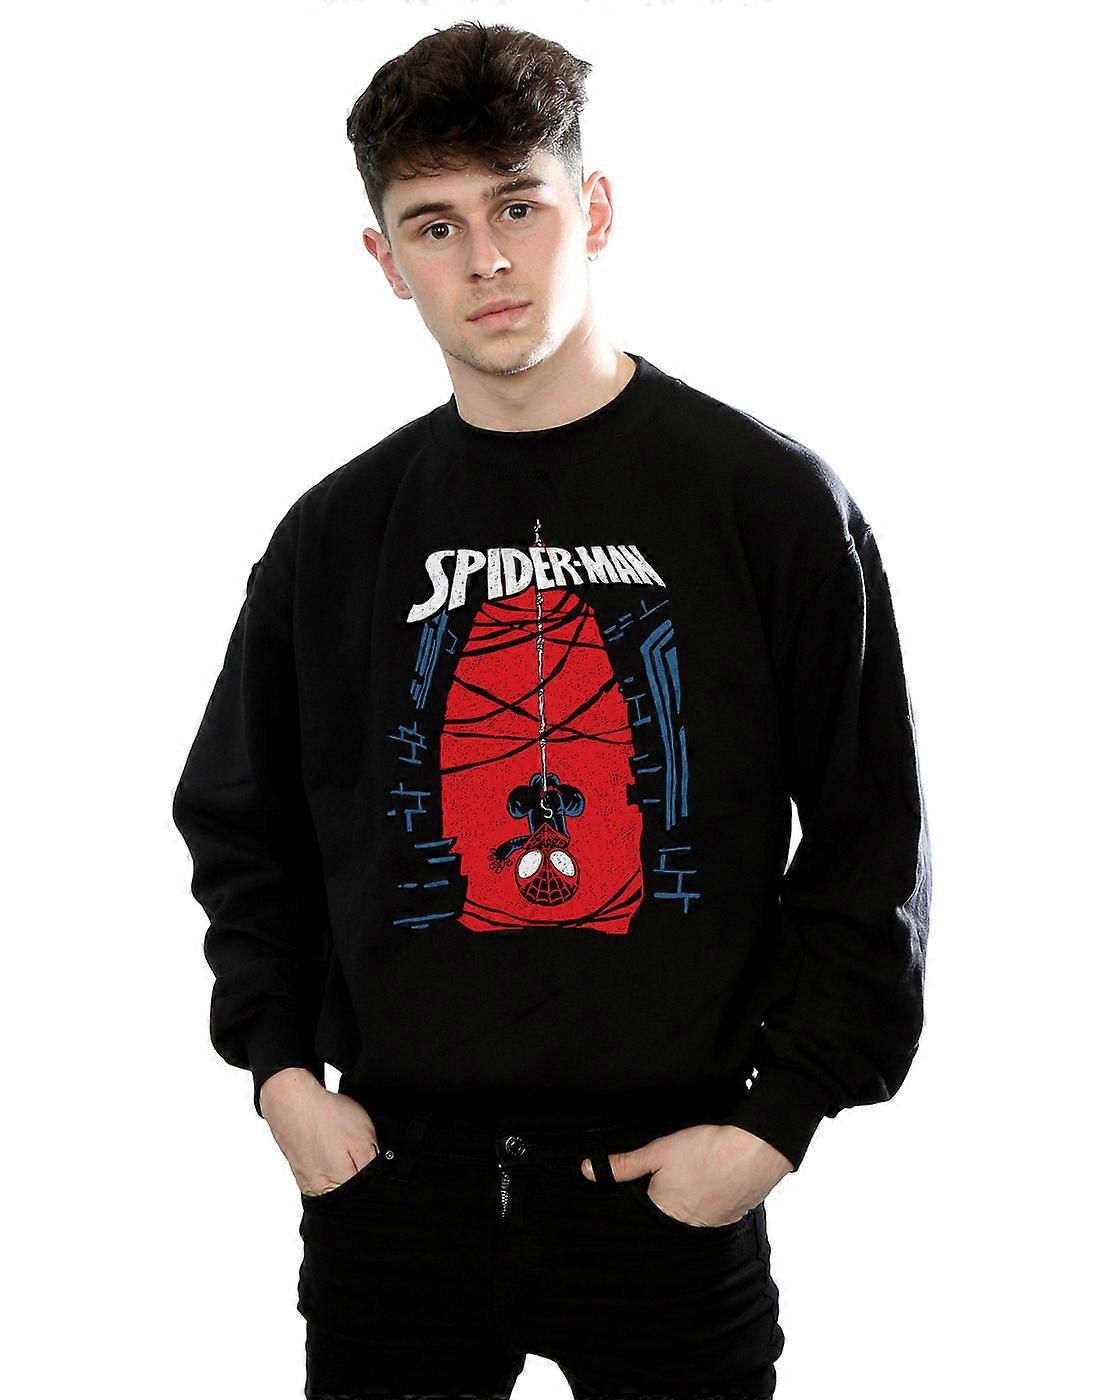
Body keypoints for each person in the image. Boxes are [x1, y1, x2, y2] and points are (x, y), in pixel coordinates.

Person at [171, 19, 931, 1400]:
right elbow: (240, 822)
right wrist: (281, 1078)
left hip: (665, 1197)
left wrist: (775, 1124)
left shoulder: (766, 503)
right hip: (391, 1198)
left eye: (518, 206)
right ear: (385, 260)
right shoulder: (336, 536)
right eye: (437, 225)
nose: (487, 259)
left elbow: (873, 836)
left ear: (597, 208)